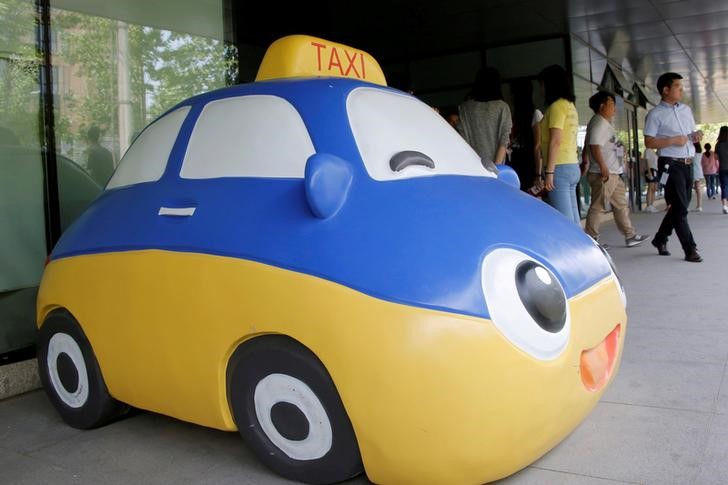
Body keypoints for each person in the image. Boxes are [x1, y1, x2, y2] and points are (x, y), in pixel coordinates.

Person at [644, 72, 702, 262]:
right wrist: (672, 140)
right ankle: (690, 249)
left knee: (680, 207)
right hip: (670, 165)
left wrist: (696, 135)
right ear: (665, 90)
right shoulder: (655, 114)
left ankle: (660, 239)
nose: (681, 89)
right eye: (677, 86)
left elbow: (690, 133)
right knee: (680, 208)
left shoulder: (686, 110)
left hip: (687, 163)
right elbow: (649, 142)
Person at [583, 91, 649, 247]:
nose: (614, 108)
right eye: (611, 104)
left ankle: (630, 235)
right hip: (604, 173)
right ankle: (591, 240)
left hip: (613, 172)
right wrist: (602, 167)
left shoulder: (603, 123)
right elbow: (594, 146)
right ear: (602, 106)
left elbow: (593, 144)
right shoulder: (599, 122)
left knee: (621, 205)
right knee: (598, 207)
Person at [538, 64, 580, 224]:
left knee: (566, 223)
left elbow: (556, 140)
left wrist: (549, 173)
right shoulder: (570, 106)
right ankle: (583, 248)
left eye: (542, 84)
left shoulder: (556, 107)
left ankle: (575, 249)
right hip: (572, 165)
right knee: (574, 222)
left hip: (559, 168)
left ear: (549, 84)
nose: (541, 89)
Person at [457, 67, 513, 168]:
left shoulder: (465, 108)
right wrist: (496, 169)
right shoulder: (502, 107)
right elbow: (504, 141)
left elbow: (462, 139)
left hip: (472, 168)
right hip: (495, 168)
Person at [715, 126, 728, 214]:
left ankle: (724, 206)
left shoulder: (718, 144)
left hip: (722, 168)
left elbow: (716, 157)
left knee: (724, 187)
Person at [691, 142, 704, 212]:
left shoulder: (691, 154)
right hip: (699, 171)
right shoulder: (700, 154)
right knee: (698, 188)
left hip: (692, 171)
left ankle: (686, 205)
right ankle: (699, 205)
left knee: (688, 188)